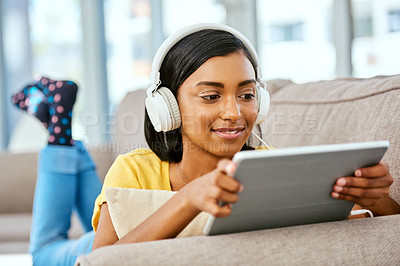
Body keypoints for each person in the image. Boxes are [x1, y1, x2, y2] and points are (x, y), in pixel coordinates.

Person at [12, 24, 399, 265]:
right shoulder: (133, 169)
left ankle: (63, 132)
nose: (234, 112)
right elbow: (101, 260)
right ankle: (60, 135)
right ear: (168, 108)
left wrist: (380, 201)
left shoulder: (266, 166)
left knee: (94, 206)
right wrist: (188, 198)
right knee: (45, 251)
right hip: (87, 245)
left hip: (117, 220)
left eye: (246, 95)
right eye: (211, 96)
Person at [11, 76, 102, 265]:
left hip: (118, 233)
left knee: (102, 225)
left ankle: (58, 126)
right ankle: (58, 127)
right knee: (43, 252)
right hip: (116, 236)